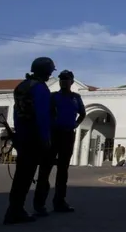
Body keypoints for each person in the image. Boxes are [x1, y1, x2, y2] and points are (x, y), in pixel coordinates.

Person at [4, 57, 55, 225]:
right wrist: (45, 137)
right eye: (49, 71)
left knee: (21, 175)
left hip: (22, 133)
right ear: (44, 71)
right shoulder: (40, 88)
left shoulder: (22, 85)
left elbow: (16, 112)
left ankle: (14, 209)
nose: (49, 75)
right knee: (26, 175)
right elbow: (42, 115)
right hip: (34, 136)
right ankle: (15, 211)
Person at [33, 70, 86, 216]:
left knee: (63, 171)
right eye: (61, 79)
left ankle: (59, 202)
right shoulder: (53, 97)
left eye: (66, 79)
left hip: (68, 134)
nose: (63, 81)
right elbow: (46, 113)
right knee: (45, 169)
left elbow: (83, 113)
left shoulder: (76, 98)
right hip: (54, 134)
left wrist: (76, 124)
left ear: (71, 82)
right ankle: (40, 204)